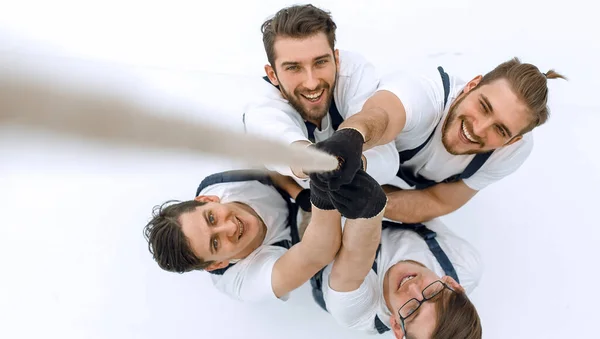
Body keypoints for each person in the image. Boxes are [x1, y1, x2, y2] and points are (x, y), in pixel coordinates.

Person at [312, 57, 567, 223]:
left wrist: (379, 204)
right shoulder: (428, 93)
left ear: (512, 141)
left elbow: (439, 201)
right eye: (484, 106)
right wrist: (352, 136)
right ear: (471, 85)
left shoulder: (513, 152)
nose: (478, 128)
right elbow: (382, 114)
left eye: (500, 130)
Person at [142, 165, 386, 303]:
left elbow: (270, 170)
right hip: (308, 252)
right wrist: (324, 187)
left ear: (207, 199)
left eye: (212, 218)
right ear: (217, 264)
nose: (229, 227)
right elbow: (317, 253)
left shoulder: (220, 183)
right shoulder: (241, 283)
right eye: (215, 243)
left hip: (300, 200)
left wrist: (299, 194)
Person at [242, 4, 399, 190]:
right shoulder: (261, 104)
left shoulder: (354, 73)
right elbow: (280, 140)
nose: (311, 83)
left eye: (321, 62)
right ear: (272, 75)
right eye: (293, 68)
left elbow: (387, 157)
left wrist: (352, 166)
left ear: (336, 59)